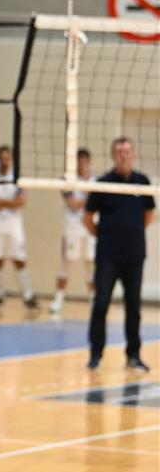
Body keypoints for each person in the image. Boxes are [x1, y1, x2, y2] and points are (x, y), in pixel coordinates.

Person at [84, 137, 154, 372]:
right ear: (113, 155)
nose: (124, 155)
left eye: (127, 151)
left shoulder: (143, 181)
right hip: (108, 256)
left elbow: (148, 215)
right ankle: (95, 354)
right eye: (119, 152)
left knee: (133, 308)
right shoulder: (103, 183)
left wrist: (131, 234)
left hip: (134, 256)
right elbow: (88, 219)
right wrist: (106, 236)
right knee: (101, 304)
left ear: (133, 154)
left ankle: (134, 355)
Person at [0, 146, 37, 311]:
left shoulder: (17, 177)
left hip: (14, 224)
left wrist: (2, 202)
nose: (5, 161)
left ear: (11, 159)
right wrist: (10, 202)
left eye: (7, 158)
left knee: (19, 259)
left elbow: (22, 201)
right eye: (2, 158)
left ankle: (28, 296)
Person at [51, 148, 94, 316]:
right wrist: (90, 198)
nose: (82, 164)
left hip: (90, 227)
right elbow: (73, 204)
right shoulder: (67, 180)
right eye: (79, 161)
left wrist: (87, 199)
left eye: (85, 161)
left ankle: (94, 301)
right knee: (66, 264)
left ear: (89, 162)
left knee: (91, 264)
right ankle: (58, 300)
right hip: (72, 228)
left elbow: (94, 204)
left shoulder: (96, 181)